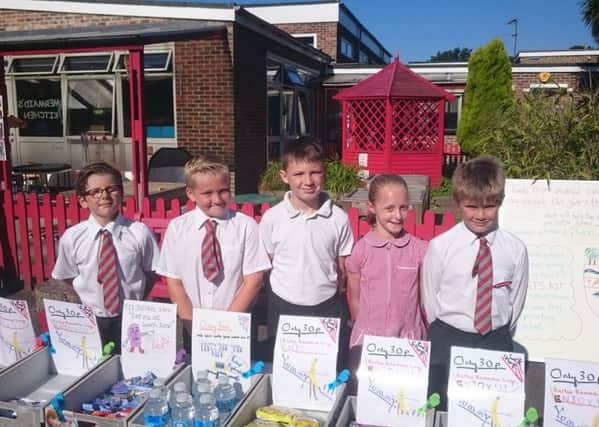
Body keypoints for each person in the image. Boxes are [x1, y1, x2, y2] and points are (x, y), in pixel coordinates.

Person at [421, 154, 529, 409]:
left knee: (490, 409)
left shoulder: (515, 249)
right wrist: (448, 329)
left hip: (494, 339)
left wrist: (498, 331)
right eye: (472, 206)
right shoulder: (441, 247)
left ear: (500, 202)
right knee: (442, 406)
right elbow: (429, 298)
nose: (481, 215)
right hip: (448, 337)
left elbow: (516, 300)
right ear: (458, 202)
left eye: (489, 206)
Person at [156, 155, 270, 352]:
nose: (217, 199)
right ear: (191, 194)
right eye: (207, 193)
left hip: (236, 324)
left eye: (223, 191)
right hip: (194, 324)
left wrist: (227, 326)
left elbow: (254, 280)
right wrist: (193, 327)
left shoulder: (245, 226)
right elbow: (174, 281)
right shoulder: (178, 228)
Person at [259, 140, 354, 369]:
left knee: (324, 368)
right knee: (287, 367)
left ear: (324, 173)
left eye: (315, 172)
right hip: (283, 305)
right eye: (299, 174)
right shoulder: (272, 218)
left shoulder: (338, 218)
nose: (308, 181)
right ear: (284, 176)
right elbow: (267, 264)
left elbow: (343, 267)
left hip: (326, 305)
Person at [52, 162, 160, 351]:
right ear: (83, 200)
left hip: (131, 316)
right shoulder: (72, 238)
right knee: (95, 366)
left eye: (111, 189)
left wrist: (137, 298)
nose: (104, 195)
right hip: (91, 318)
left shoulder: (140, 233)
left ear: (121, 193)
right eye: (95, 191)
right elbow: (68, 276)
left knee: (133, 365)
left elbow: (150, 272)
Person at [345, 174, 428, 393]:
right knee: (366, 401)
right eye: (389, 208)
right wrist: (364, 327)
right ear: (371, 207)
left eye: (403, 207)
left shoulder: (419, 250)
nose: (398, 215)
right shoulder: (361, 251)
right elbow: (355, 298)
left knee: (402, 401)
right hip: (368, 344)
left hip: (408, 342)